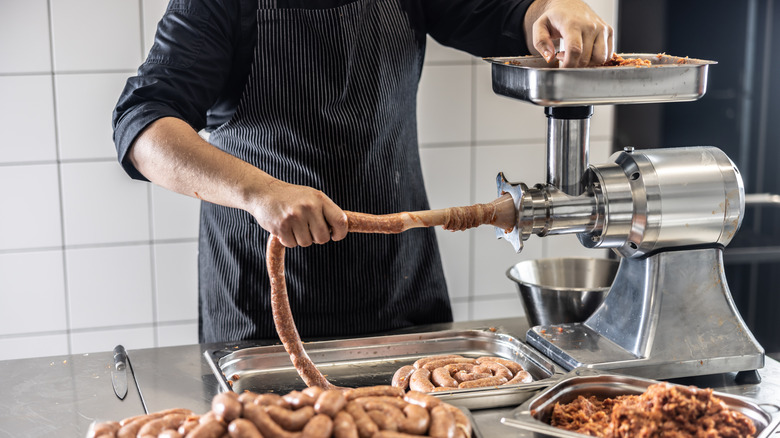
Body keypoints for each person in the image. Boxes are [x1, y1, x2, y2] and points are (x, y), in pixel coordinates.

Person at [113, 0, 613, 343]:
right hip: (263, 310)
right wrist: (260, 191)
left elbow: (504, 11)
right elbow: (144, 128)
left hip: (399, 295)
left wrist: (547, 12)